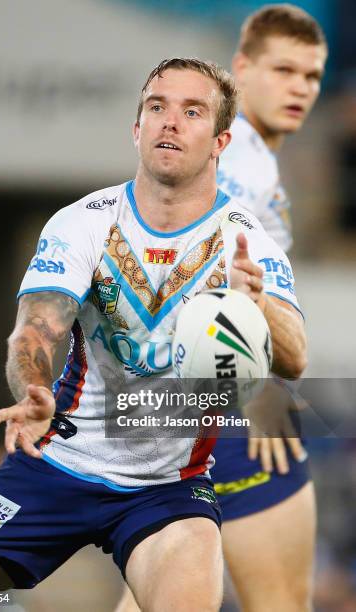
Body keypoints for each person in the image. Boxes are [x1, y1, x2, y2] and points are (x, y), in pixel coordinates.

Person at [0, 57, 306, 612]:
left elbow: (296, 357)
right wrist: (34, 391)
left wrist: (257, 305)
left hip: (168, 491)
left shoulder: (246, 244)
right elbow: (35, 331)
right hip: (56, 463)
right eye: (156, 107)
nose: (169, 122)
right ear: (137, 128)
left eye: (192, 111)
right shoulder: (84, 222)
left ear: (220, 141)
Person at [116, 6, 327, 612]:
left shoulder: (250, 160)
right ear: (242, 69)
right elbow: (191, 275)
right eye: (283, 69)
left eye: (312, 76)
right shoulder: (235, 163)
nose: (300, 88)